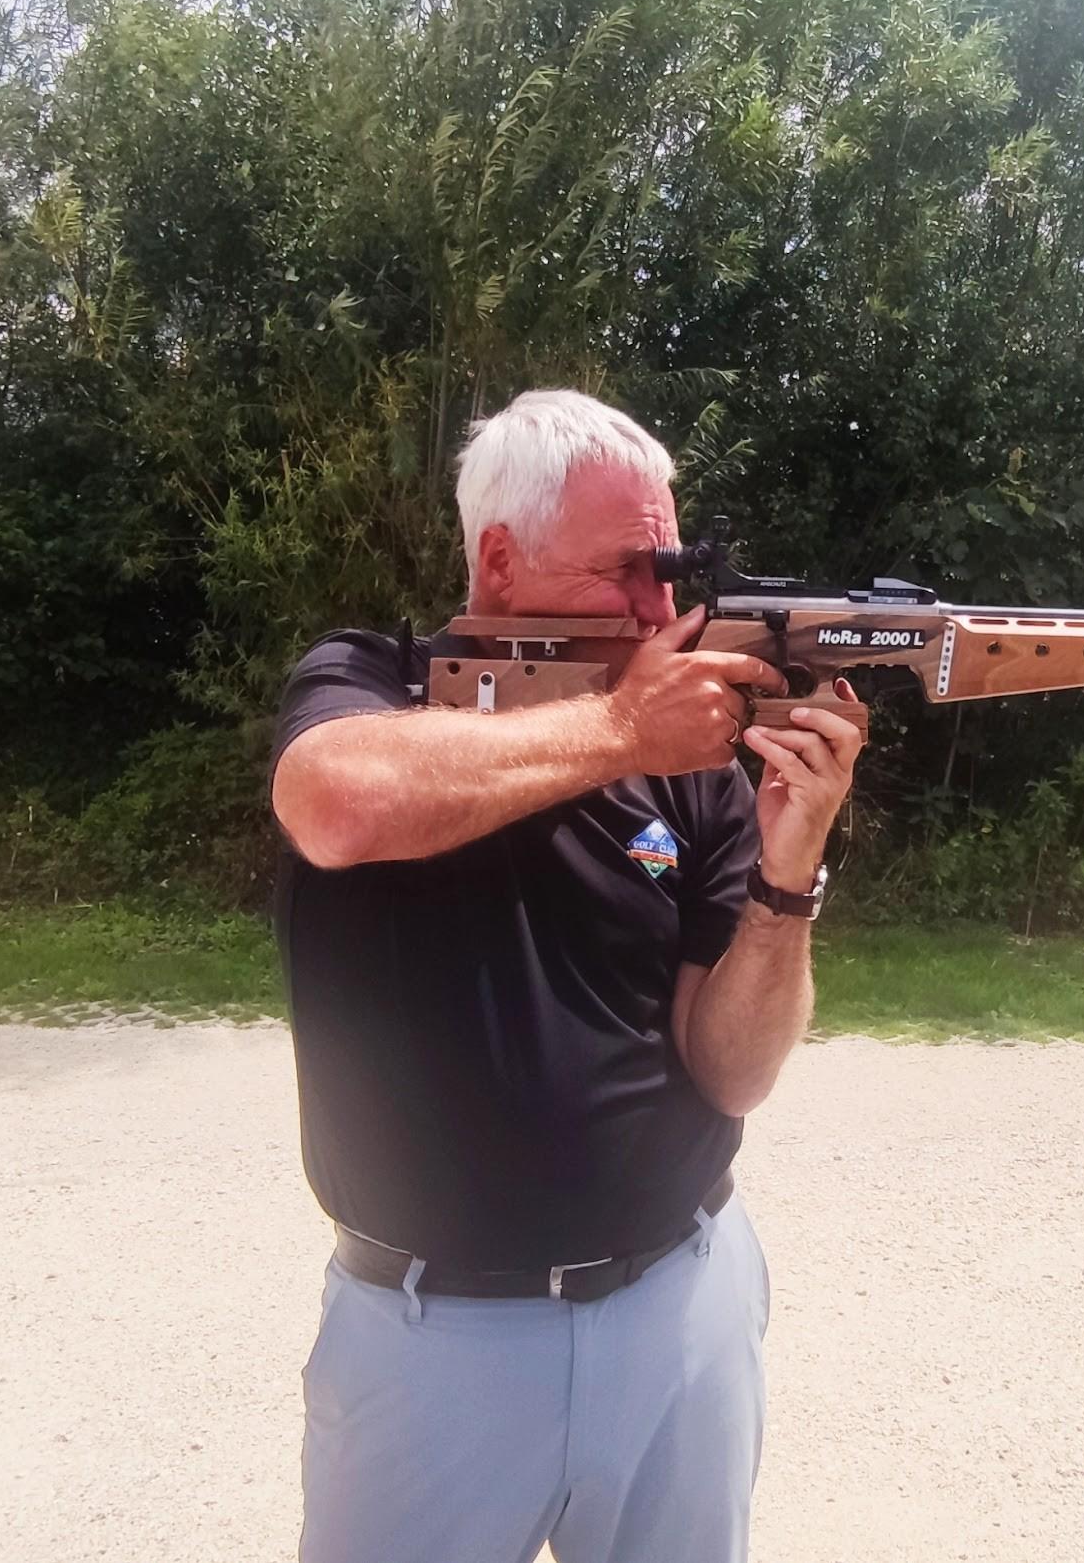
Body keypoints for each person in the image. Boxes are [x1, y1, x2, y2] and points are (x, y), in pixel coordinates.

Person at [267, 388, 866, 1563]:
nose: (661, 608)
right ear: (500, 557)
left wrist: (787, 876)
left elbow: (733, 1072)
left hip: (676, 1310)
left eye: (670, 571)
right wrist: (622, 734)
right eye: (627, 571)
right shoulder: (371, 678)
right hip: (428, 1338)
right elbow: (332, 804)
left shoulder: (692, 765)